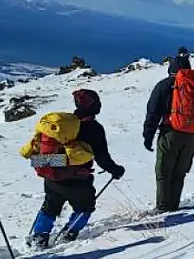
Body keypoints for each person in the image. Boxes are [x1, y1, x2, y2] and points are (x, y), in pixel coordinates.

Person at [24, 89, 125, 247]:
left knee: (50, 206)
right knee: (85, 207)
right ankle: (68, 234)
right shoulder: (94, 128)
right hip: (78, 179)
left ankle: (39, 236)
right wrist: (115, 170)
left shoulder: (62, 125)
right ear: (94, 106)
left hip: (53, 176)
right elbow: (101, 157)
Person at [144, 50, 194, 212]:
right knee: (179, 172)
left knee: (163, 172)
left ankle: (163, 208)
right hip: (192, 135)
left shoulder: (164, 85)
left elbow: (153, 113)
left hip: (170, 133)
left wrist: (148, 136)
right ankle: (173, 206)